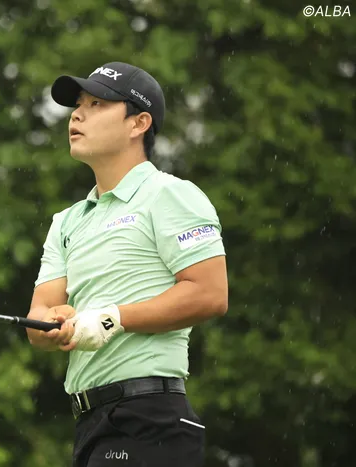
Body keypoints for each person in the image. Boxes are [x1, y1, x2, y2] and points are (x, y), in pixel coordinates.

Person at [26, 61, 229, 467]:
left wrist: (111, 319)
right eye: (77, 105)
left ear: (139, 123)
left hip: (150, 417)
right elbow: (39, 314)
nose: (77, 115)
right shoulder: (66, 221)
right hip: (90, 423)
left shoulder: (171, 195)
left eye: (97, 104)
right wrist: (53, 323)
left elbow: (210, 294)